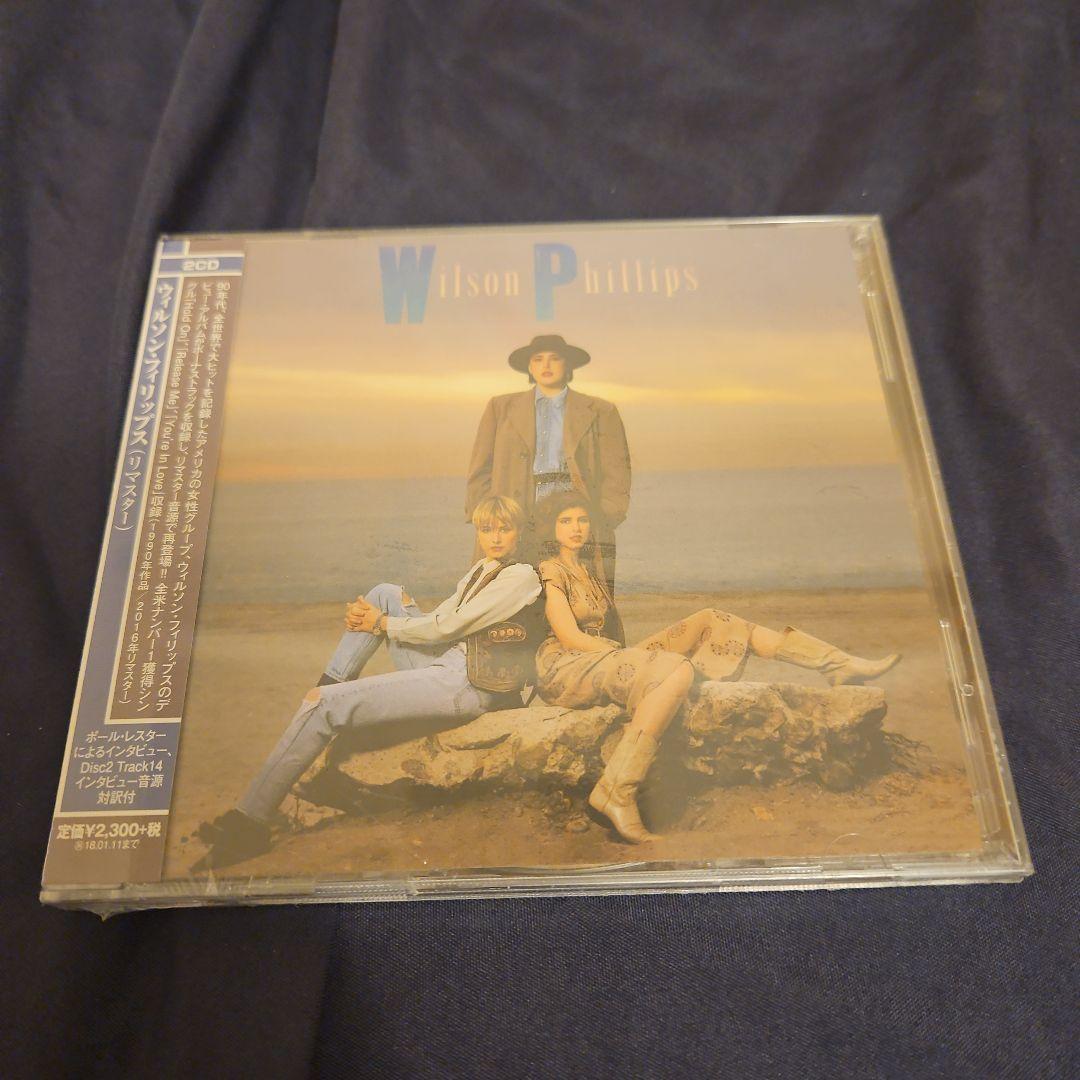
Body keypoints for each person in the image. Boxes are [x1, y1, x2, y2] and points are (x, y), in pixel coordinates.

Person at [532, 491, 901, 844]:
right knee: (676, 668)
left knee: (715, 619)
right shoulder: (551, 570)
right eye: (566, 521)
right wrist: (625, 655)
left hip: (606, 657)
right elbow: (569, 636)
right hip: (569, 666)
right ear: (552, 528)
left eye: (582, 520)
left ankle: (836, 664)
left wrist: (628, 655)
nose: (576, 528)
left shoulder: (588, 571)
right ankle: (616, 790)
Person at [194, 495, 541, 869]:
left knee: (322, 703)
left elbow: (446, 627)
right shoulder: (482, 570)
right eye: (487, 529)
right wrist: (374, 618)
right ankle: (331, 686)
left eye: (504, 529)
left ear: (519, 531)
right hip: (448, 663)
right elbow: (438, 620)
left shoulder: (520, 577)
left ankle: (250, 824)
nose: (495, 537)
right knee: (385, 593)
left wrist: (381, 624)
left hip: (465, 682)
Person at [465, 333, 631, 595]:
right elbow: (480, 468)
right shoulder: (500, 408)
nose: (546, 365)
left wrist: (603, 517)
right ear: (529, 367)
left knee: (578, 592)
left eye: (555, 358)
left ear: (568, 365)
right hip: (515, 510)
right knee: (508, 591)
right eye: (538, 359)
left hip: (573, 511)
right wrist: (486, 517)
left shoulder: (601, 411)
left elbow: (617, 473)